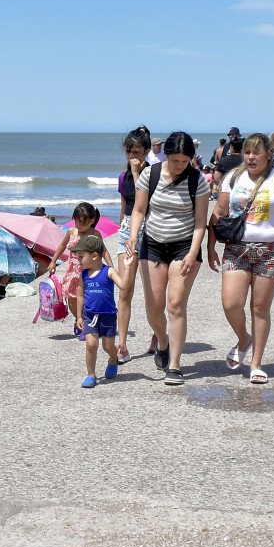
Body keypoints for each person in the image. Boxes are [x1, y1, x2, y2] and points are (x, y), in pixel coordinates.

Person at [205, 133, 274, 384]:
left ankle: (256, 363)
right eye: (247, 152)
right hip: (237, 248)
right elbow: (219, 212)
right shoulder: (233, 178)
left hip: (272, 250)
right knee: (231, 303)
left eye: (257, 152)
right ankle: (244, 339)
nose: (251, 157)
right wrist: (210, 246)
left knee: (259, 307)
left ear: (268, 155)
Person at [125, 131, 211, 385]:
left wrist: (194, 252)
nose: (180, 166)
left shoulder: (197, 180)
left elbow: (199, 223)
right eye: (176, 161)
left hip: (184, 245)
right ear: (167, 155)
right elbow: (139, 209)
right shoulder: (150, 175)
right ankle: (162, 341)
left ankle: (174, 364)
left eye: (185, 162)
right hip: (152, 244)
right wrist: (132, 236)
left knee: (175, 305)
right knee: (153, 307)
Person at [114, 127, 154, 363]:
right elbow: (125, 207)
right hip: (127, 230)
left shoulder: (153, 173)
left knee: (152, 291)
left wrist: (138, 173)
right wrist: (122, 228)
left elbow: (144, 202)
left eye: (136, 152)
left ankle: (158, 335)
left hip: (149, 230)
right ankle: (122, 345)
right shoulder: (122, 176)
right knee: (125, 288)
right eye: (129, 151)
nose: (132, 156)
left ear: (147, 151)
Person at [71, 235, 134, 387]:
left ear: (94, 256)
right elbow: (80, 294)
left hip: (108, 316)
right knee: (91, 345)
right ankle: (91, 375)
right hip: (90, 315)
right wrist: (79, 316)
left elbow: (124, 286)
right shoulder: (84, 274)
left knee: (107, 346)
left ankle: (113, 359)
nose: (79, 261)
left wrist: (127, 267)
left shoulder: (109, 271)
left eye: (81, 257)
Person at [41, 202, 102, 327]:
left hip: (88, 271)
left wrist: (105, 269)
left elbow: (101, 251)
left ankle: (88, 320)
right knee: (71, 298)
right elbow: (62, 246)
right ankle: (79, 320)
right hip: (72, 271)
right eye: (77, 221)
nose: (79, 225)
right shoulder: (71, 232)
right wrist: (53, 261)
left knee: (88, 297)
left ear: (91, 221)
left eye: (82, 222)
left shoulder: (94, 234)